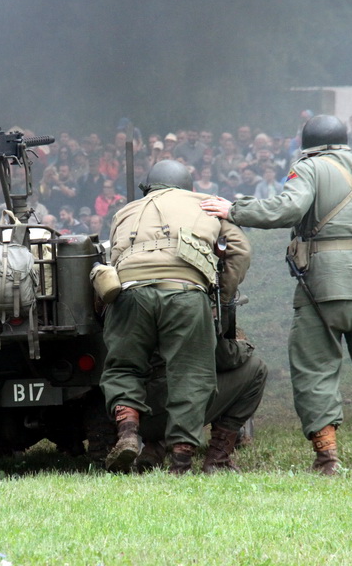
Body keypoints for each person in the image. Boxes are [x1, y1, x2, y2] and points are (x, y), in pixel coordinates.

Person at [200, 114, 352, 474]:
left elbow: (288, 208)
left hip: (323, 288)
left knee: (315, 369)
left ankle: (328, 460)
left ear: (309, 145)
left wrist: (234, 209)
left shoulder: (308, 169)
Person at [100, 160, 251, 474]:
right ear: (188, 186)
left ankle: (128, 434)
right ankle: (180, 461)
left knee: (124, 366)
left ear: (150, 187)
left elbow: (114, 257)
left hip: (129, 293)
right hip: (184, 293)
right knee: (191, 375)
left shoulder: (125, 211)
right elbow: (240, 249)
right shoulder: (206, 204)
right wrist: (220, 297)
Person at [137, 329, 268, 474]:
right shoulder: (192, 309)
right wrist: (244, 345)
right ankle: (218, 460)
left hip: (135, 414)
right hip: (174, 412)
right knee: (257, 369)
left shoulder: (134, 308)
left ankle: (154, 448)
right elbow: (224, 357)